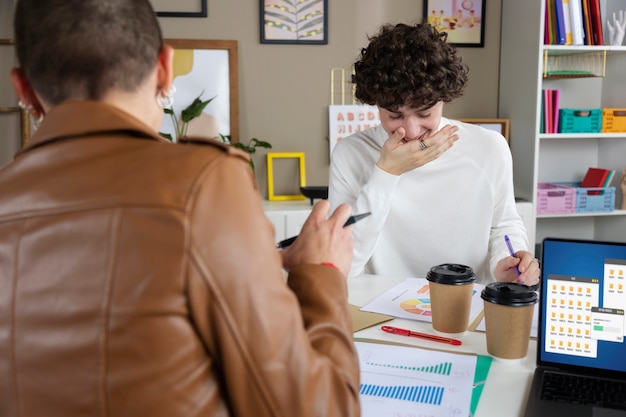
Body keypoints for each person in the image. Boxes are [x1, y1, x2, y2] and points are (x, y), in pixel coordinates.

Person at [0, 1, 361, 416]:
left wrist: (265, 262)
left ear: (23, 88)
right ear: (164, 68)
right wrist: (322, 273)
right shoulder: (205, 182)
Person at [329, 22, 540, 286]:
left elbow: (503, 226)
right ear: (376, 104)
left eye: (425, 113)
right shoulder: (351, 154)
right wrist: (386, 172)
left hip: (464, 304)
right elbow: (341, 266)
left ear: (444, 98)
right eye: (394, 115)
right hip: (377, 311)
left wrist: (505, 261)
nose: (411, 130)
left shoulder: (489, 148)